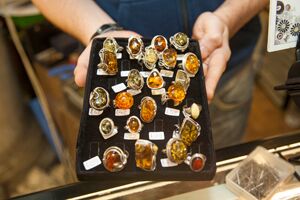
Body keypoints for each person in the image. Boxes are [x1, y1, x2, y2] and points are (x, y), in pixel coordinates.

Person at [32, 0, 268, 148]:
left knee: (210, 172)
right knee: (133, 181)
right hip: (122, 75)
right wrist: (101, 29)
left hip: (223, 68)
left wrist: (227, 18)